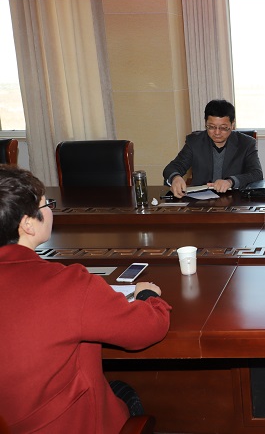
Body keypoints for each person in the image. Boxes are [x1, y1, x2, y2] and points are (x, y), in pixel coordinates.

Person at [0, 166, 171, 433]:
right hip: (67, 426)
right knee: (125, 393)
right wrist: (148, 297)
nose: (51, 210)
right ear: (27, 224)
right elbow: (148, 328)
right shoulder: (65, 284)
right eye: (46, 204)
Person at [163, 99, 263, 198]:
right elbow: (173, 167)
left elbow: (256, 173)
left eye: (223, 128)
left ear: (232, 125)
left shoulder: (246, 143)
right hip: (200, 201)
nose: (217, 132)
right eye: (211, 127)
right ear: (205, 123)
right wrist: (175, 178)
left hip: (235, 199)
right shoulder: (194, 142)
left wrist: (230, 181)